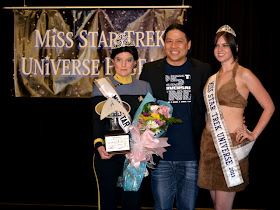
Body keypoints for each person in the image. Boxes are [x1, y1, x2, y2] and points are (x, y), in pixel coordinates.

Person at [197, 25, 275, 210]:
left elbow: (269, 106)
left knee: (222, 207)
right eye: (217, 45)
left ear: (235, 48)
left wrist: (253, 134)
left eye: (225, 45)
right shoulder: (212, 79)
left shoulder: (244, 74)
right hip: (209, 144)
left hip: (230, 146)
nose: (220, 49)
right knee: (216, 205)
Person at [140, 23, 211, 210]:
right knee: (161, 207)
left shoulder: (203, 70)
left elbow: (214, 105)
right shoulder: (149, 70)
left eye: (179, 41)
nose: (174, 46)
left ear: (189, 44)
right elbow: (141, 110)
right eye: (169, 41)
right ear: (163, 44)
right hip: (161, 157)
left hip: (192, 156)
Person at [92, 33, 152, 210]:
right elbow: (96, 120)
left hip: (134, 155)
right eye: (119, 59)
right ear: (113, 61)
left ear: (135, 62)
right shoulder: (102, 86)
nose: (124, 65)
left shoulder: (144, 86)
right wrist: (98, 145)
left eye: (128, 60)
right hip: (108, 154)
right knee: (108, 202)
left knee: (132, 203)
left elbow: (149, 121)